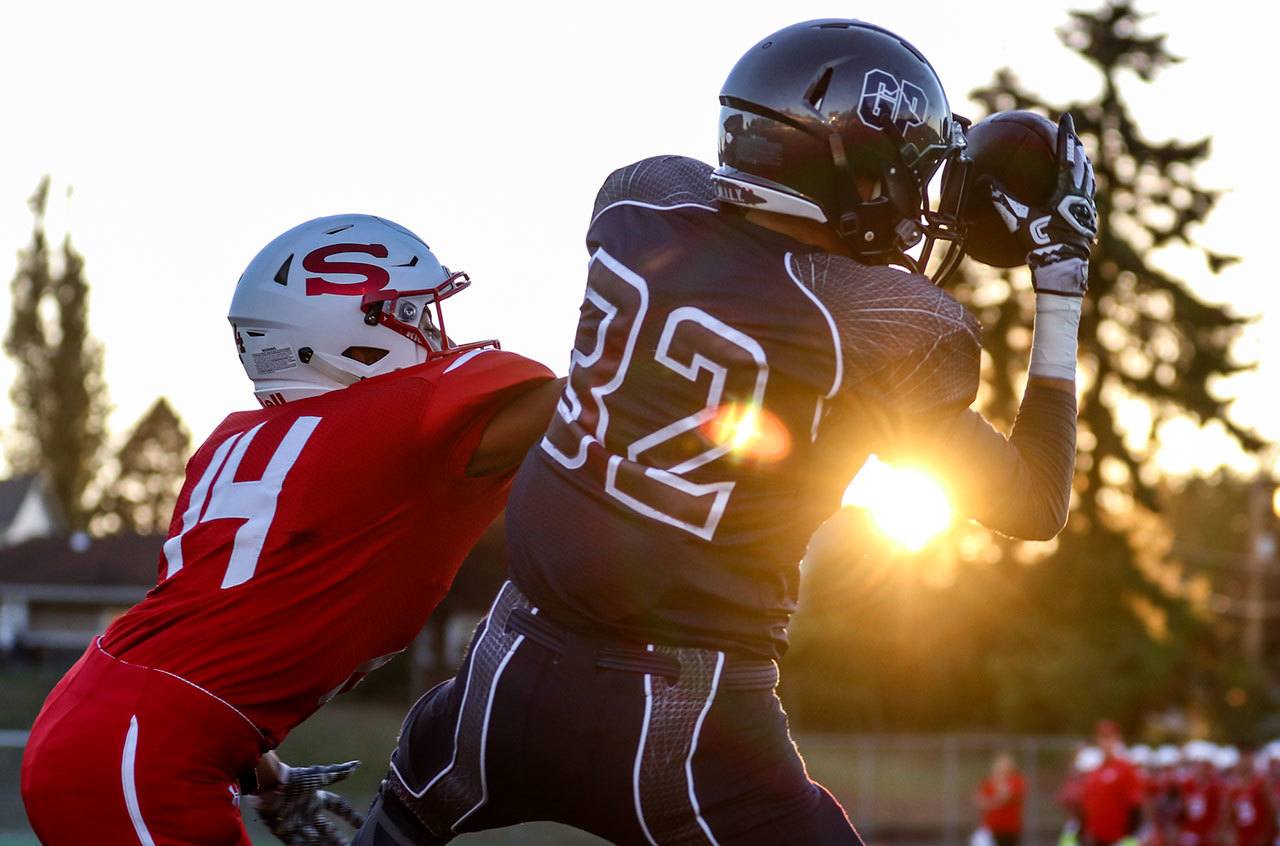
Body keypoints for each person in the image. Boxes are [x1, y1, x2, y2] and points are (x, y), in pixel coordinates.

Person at [359, 18, 1096, 845]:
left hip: (501, 670)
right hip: (684, 715)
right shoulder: (885, 322)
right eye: (907, 170)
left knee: (399, 815)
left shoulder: (640, 199)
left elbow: (728, 252)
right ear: (855, 171)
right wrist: (1060, 285)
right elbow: (1036, 504)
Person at [20, 214, 562, 846]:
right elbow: (596, 402)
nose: (428, 329)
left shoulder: (235, 442)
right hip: (141, 751)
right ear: (349, 333)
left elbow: (211, 632)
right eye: (407, 313)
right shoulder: (402, 419)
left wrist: (267, 775)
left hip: (108, 717)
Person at [1081, 722, 1144, 846]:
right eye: (1102, 737)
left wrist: (1130, 837)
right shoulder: (1095, 772)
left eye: (1109, 737)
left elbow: (1135, 806)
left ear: (1116, 739)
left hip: (1119, 839)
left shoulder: (1126, 769)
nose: (1106, 742)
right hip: (1097, 838)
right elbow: (1087, 806)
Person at [977, 752, 1027, 846]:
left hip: (1010, 829)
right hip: (991, 828)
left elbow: (1007, 797)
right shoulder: (989, 781)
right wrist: (995, 802)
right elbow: (980, 801)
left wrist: (992, 802)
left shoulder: (1016, 781)